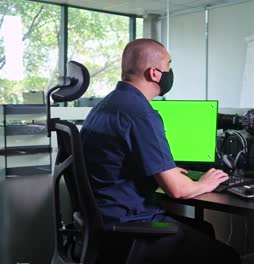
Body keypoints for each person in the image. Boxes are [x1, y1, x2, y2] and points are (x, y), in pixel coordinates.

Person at [80, 38, 241, 264]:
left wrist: (166, 171)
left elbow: (117, 163)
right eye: (169, 65)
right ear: (155, 73)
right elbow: (177, 191)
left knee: (203, 229)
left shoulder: (108, 105)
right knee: (228, 258)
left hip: (105, 223)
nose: (170, 71)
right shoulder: (141, 114)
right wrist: (205, 183)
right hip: (130, 225)